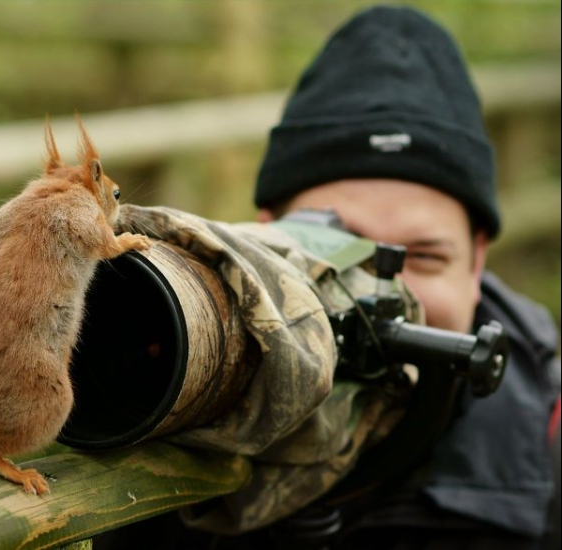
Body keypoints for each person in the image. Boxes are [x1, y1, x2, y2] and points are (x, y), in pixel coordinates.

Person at [97, 5, 560, 549]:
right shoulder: (148, 418)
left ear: (477, 263)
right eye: (335, 245)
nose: (382, 290)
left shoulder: (546, 459)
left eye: (424, 257)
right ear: (267, 238)